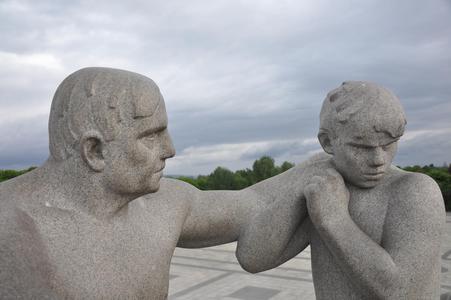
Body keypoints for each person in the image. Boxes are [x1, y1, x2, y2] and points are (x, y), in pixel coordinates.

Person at [0, 67, 310, 299]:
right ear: (95, 151)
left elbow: (253, 205)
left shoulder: (165, 203)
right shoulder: (9, 226)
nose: (170, 149)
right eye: (150, 136)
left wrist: (316, 167)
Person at [236, 81, 446, 299]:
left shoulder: (416, 191)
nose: (378, 160)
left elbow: (402, 291)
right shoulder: (326, 189)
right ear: (327, 142)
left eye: (388, 144)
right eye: (361, 147)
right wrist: (301, 186)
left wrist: (334, 220)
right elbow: (253, 257)